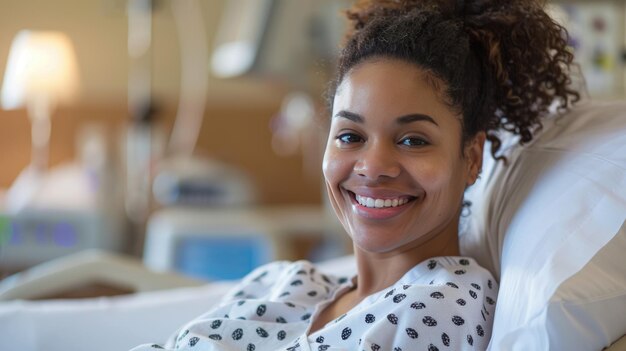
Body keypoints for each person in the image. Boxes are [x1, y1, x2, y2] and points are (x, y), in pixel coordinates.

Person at [131, 0, 578, 350]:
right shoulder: (287, 284)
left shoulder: (442, 305)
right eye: (350, 136)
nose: (372, 167)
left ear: (472, 157)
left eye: (413, 140)